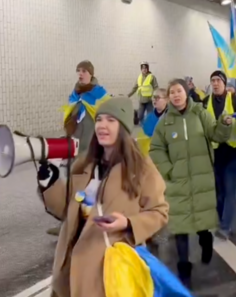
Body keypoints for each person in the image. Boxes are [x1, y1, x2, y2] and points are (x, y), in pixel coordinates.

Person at [38, 97, 168, 297]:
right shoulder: (84, 164)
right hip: (71, 269)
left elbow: (159, 212)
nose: (102, 126)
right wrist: (50, 183)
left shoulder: (141, 168)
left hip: (107, 272)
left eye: (110, 120)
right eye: (99, 119)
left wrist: (128, 223)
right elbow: (65, 210)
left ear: (123, 127)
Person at [149, 78, 231, 287]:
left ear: (186, 93)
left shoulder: (200, 114)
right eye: (172, 92)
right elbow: (156, 149)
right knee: (180, 227)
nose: (176, 95)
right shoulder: (165, 122)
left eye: (179, 91)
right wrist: (169, 170)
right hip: (177, 182)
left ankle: (206, 241)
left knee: (202, 223)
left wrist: (224, 124)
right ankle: (184, 268)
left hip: (201, 178)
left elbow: (216, 135)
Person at [50, 61, 109, 237]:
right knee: (71, 185)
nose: (80, 74)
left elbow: (107, 118)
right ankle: (68, 223)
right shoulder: (75, 93)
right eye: (78, 71)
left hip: (91, 147)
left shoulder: (100, 93)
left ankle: (89, 224)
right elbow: (69, 114)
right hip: (74, 146)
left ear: (91, 73)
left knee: (89, 187)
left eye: (83, 71)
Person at [202, 70, 236, 240]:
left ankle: (226, 226)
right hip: (215, 153)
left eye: (218, 80)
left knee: (229, 189)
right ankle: (221, 220)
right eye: (212, 80)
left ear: (224, 82)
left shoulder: (235, 100)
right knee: (218, 190)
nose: (215, 83)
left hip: (234, 151)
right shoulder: (206, 102)